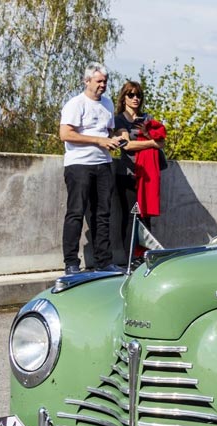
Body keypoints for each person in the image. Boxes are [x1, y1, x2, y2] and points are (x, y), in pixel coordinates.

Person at [59, 62, 125, 274]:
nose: (103, 85)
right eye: (99, 81)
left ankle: (104, 262)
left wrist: (119, 137)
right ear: (87, 81)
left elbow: (109, 133)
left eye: (105, 81)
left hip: (103, 165)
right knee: (76, 213)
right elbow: (66, 134)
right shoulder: (75, 104)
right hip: (79, 165)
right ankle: (71, 263)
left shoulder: (107, 104)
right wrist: (98, 141)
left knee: (102, 214)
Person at [113, 80, 166, 264]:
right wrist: (151, 143)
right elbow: (126, 145)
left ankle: (145, 255)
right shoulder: (119, 119)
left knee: (145, 216)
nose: (135, 98)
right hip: (128, 175)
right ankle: (130, 256)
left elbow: (162, 140)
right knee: (131, 216)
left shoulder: (147, 117)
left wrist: (148, 133)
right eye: (131, 95)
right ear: (124, 97)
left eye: (138, 95)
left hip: (147, 176)